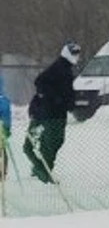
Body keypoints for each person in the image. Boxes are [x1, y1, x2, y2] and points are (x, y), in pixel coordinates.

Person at [23, 42, 80, 184]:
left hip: (54, 112)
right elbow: (40, 82)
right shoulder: (59, 68)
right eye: (74, 53)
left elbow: (65, 90)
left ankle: (43, 169)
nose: (77, 57)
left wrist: (69, 102)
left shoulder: (65, 68)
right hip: (51, 113)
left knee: (51, 142)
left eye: (77, 54)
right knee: (52, 142)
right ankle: (41, 170)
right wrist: (56, 99)